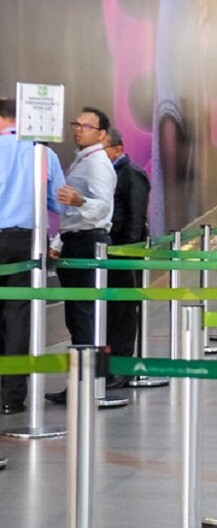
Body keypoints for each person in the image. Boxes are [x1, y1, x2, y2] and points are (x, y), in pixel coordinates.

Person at [47, 107, 117, 404]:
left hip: (88, 243)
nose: (79, 129)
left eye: (87, 126)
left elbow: (101, 207)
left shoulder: (98, 164)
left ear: (102, 134)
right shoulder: (82, 160)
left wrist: (80, 200)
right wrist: (60, 241)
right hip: (76, 241)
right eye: (76, 123)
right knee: (78, 316)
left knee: (84, 315)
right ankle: (81, 381)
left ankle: (85, 384)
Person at [0, 98, 65, 415]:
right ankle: (12, 396)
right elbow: (60, 204)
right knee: (19, 317)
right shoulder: (45, 154)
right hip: (28, 241)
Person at [103, 128, 150, 389]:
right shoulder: (111, 174)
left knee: (123, 313)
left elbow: (135, 217)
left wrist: (128, 254)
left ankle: (123, 368)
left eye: (104, 149)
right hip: (111, 253)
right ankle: (109, 368)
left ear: (117, 149)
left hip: (124, 254)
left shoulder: (130, 174)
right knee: (112, 313)